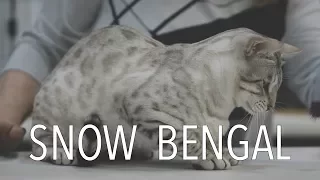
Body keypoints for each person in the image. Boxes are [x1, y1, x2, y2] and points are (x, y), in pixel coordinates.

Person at [1, 0, 320, 152]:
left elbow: (312, 65)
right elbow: (48, 42)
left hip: (226, 157)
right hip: (95, 156)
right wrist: (5, 122)